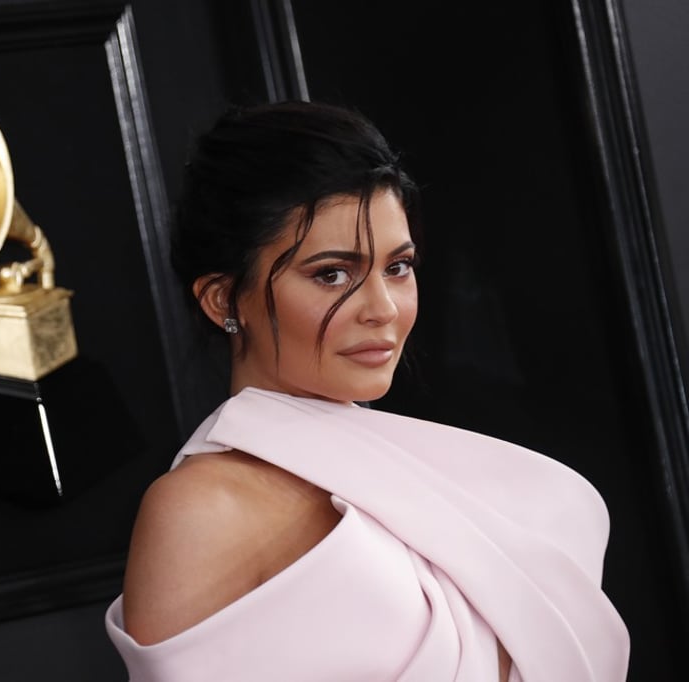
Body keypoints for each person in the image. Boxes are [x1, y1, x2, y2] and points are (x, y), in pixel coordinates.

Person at [104, 102, 630, 681]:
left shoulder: (420, 468)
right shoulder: (200, 508)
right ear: (224, 300)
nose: (382, 309)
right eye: (332, 273)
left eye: (398, 268)